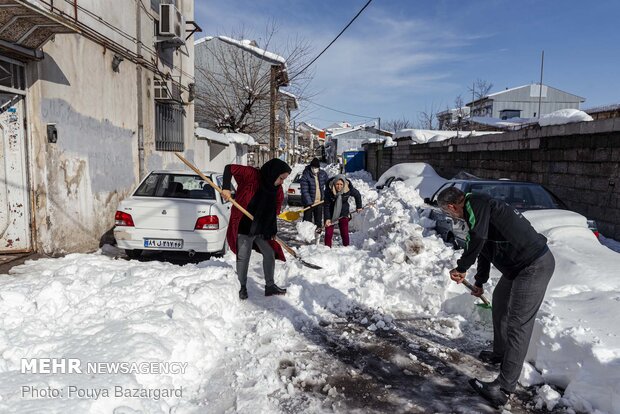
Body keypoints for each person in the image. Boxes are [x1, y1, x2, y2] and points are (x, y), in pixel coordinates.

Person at [437, 186, 555, 408]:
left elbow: (478, 238)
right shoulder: (478, 212)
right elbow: (484, 247)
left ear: (452, 207)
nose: (448, 216)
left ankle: (503, 388)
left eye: (447, 212)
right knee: (500, 304)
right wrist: (479, 282)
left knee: (518, 324)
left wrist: (462, 267)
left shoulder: (477, 204)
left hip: (534, 265)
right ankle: (501, 353)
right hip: (516, 269)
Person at [221, 159, 291, 300]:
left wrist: (269, 227)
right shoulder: (251, 174)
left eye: (284, 179)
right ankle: (241, 287)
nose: (282, 182)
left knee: (269, 253)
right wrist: (226, 188)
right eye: (281, 178)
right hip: (244, 224)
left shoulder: (277, 190)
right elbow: (229, 167)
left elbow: (275, 209)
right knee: (243, 256)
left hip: (262, 227)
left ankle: (270, 285)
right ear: (273, 173)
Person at [323, 174, 362, 247]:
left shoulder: (348, 188)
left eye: (341, 184)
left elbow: (357, 195)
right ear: (334, 183)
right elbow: (326, 206)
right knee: (328, 233)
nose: (339, 186)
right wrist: (327, 218)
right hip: (332, 213)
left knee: (344, 233)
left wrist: (359, 206)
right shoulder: (329, 190)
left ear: (344, 184)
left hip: (343, 213)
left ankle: (346, 248)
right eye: (337, 184)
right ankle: (327, 250)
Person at [299, 158, 329, 229]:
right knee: (307, 222)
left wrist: (326, 196)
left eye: (316, 167)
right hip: (308, 203)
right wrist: (309, 202)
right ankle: (306, 237)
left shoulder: (323, 174)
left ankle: (317, 237)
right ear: (310, 167)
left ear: (319, 167)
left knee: (318, 222)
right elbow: (304, 190)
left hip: (319, 203)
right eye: (313, 167)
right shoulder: (306, 175)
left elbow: (328, 185)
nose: (314, 169)